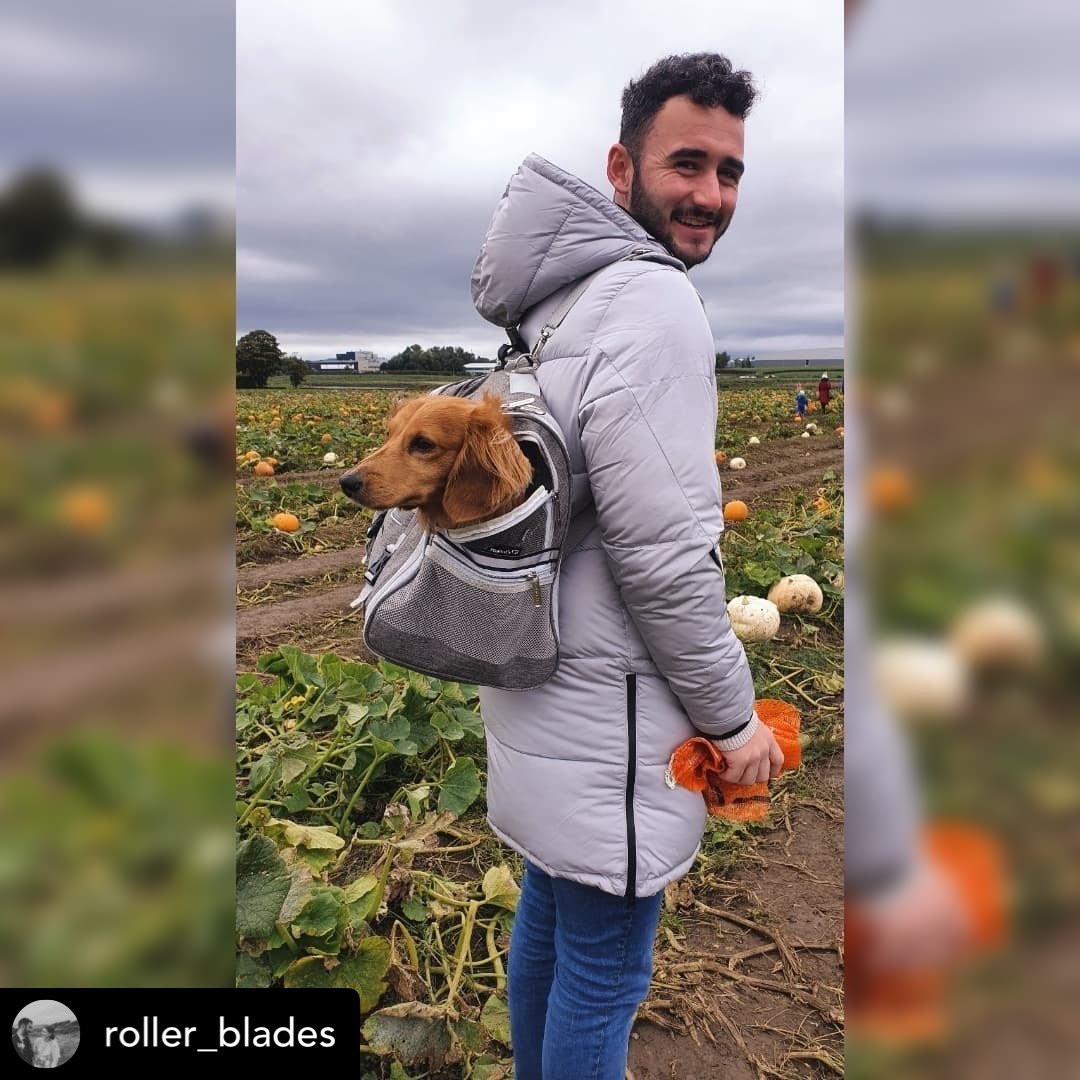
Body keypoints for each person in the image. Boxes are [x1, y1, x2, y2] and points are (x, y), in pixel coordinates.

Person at [471, 53, 783, 1079]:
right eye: (685, 163)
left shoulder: (562, 303)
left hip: (546, 689)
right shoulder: (651, 305)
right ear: (621, 167)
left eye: (729, 171)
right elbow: (663, 560)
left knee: (555, 921)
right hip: (617, 719)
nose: (709, 195)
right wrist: (733, 724)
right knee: (606, 968)